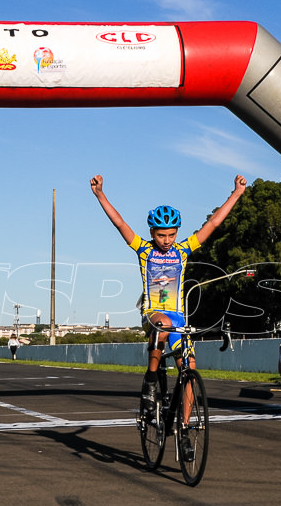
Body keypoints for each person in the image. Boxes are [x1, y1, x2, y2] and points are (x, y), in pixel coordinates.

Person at [90, 173, 247, 458]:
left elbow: (213, 224)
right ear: (151, 233)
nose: (166, 240)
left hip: (178, 318)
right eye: (161, 235)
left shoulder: (183, 251)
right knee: (161, 323)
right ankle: (151, 382)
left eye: (171, 234)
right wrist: (101, 195)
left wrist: (236, 193)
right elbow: (120, 223)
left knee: (189, 369)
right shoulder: (143, 250)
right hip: (152, 314)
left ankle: (184, 429)